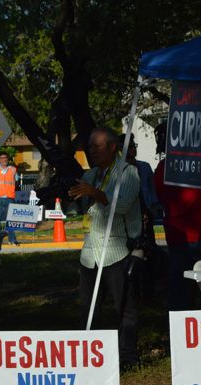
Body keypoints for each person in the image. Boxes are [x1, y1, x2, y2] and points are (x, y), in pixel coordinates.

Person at [68, 127, 142, 369]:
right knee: (87, 308)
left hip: (116, 250)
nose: (92, 151)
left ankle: (128, 357)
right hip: (90, 253)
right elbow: (81, 204)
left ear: (112, 148)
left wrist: (96, 194)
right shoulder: (91, 175)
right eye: (90, 147)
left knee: (124, 308)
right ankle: (85, 357)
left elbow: (121, 205)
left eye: (96, 146)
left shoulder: (128, 173)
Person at [153, 122, 201, 311]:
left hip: (180, 237)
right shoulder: (198, 163)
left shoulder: (162, 169)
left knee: (181, 291)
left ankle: (179, 330)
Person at [119, 133, 160, 300]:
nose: (133, 149)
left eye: (134, 146)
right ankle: (132, 294)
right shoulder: (118, 171)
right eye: (129, 147)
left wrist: (151, 210)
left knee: (150, 255)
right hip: (128, 221)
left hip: (146, 217)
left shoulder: (145, 167)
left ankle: (149, 294)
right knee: (131, 259)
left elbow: (151, 192)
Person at [0, 151, 19, 245]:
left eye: (6, 157)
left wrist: (12, 189)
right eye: (2, 158)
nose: (4, 159)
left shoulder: (13, 169)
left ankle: (12, 240)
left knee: (10, 220)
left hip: (10, 198)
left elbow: (16, 182)